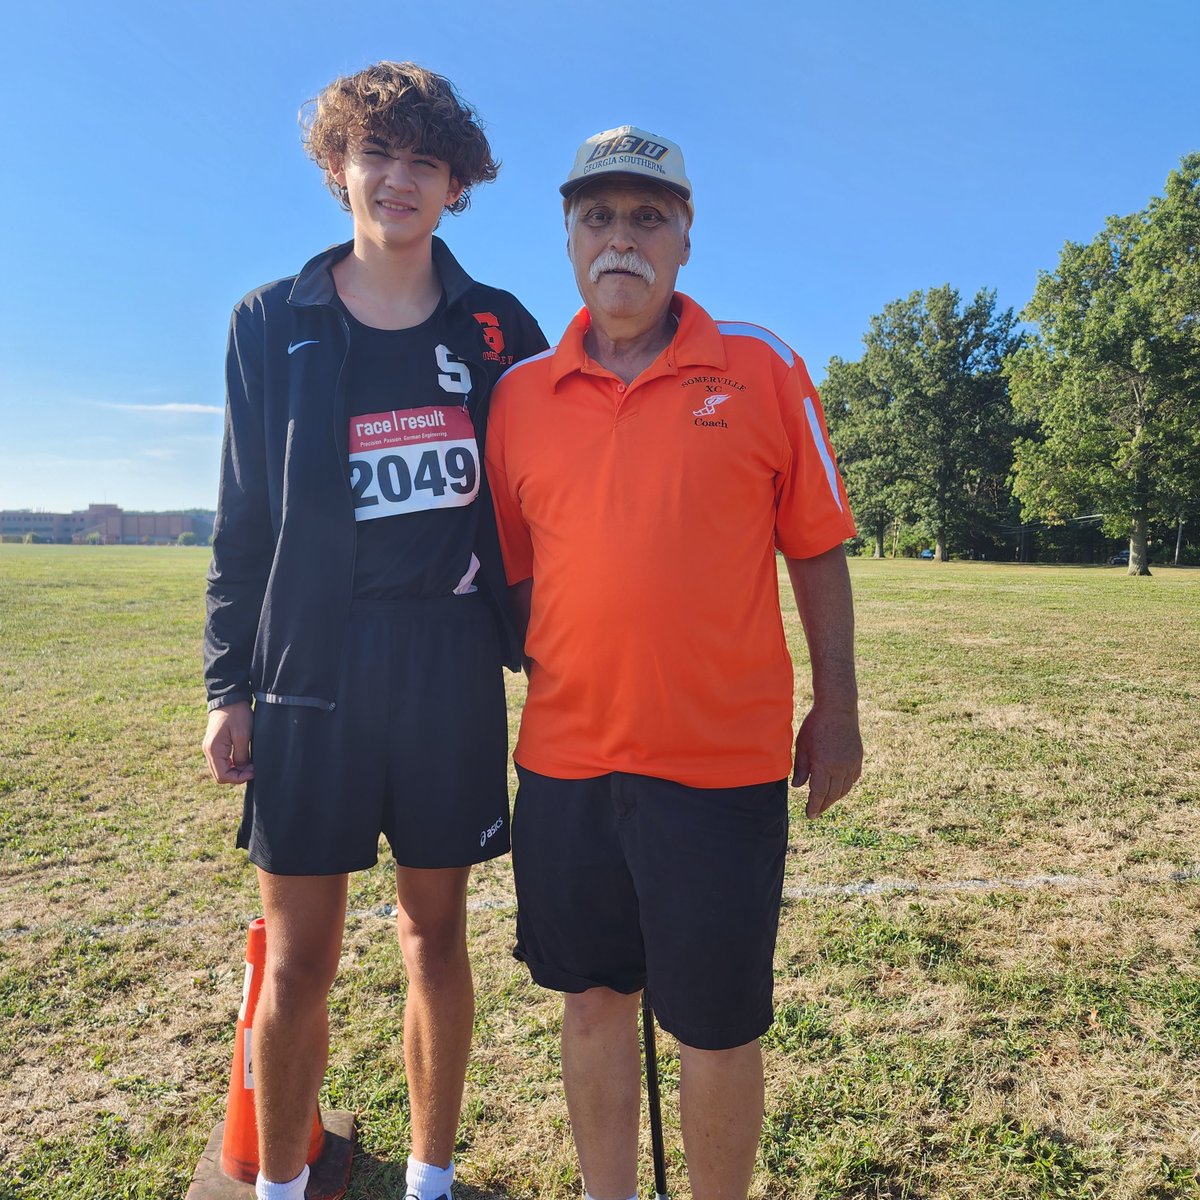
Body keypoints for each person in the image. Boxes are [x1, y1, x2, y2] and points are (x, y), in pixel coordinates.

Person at [484, 125, 862, 1200]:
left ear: (686, 237)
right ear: (568, 237)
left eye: (649, 217)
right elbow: (520, 577)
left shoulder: (763, 367)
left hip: (720, 767)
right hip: (566, 765)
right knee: (593, 1002)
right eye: (598, 217)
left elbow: (817, 549)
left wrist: (838, 709)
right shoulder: (518, 397)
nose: (623, 239)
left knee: (716, 1025)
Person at [201, 62, 546, 1200]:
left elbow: (547, 496)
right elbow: (243, 518)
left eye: (425, 161)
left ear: (456, 185)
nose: (398, 179)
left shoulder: (500, 327)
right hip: (311, 672)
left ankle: (430, 1180)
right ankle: (278, 1187)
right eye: (376, 154)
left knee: (434, 936)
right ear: (337, 166)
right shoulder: (271, 320)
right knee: (299, 959)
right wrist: (226, 685)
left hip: (448, 665)